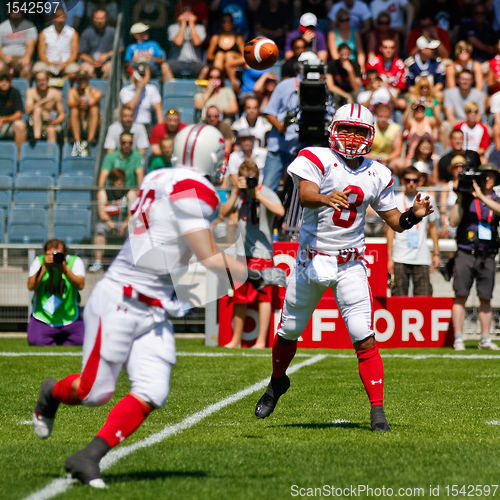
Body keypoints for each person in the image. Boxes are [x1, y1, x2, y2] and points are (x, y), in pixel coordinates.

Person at [31, 124, 255, 487]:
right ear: (208, 156)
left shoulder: (157, 175)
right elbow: (209, 257)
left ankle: (88, 457)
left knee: (153, 390)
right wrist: (255, 271)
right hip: (122, 298)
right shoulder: (197, 190)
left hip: (154, 307)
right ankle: (50, 393)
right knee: (93, 393)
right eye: (219, 154)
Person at [253, 103, 434, 431]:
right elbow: (306, 194)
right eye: (346, 129)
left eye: (359, 131)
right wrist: (326, 198)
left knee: (363, 337)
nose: (351, 137)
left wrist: (414, 216)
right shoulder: (316, 157)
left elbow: (395, 221)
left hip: (350, 263)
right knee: (288, 331)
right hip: (311, 259)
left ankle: (377, 411)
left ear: (371, 135)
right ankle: (277, 381)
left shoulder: (378, 172)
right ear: (334, 130)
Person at [220, 160, 285, 348]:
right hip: (242, 253)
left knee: (264, 298)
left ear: (256, 177)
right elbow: (223, 212)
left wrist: (256, 194)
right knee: (240, 298)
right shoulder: (238, 195)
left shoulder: (266, 192)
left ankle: (261, 341)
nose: (247, 181)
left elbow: (280, 211)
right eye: (244, 177)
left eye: (250, 177)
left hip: (263, 254)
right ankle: (236, 340)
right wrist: (235, 191)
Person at [449, 163, 500, 351]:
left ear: (495, 179)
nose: (487, 178)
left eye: (491, 175)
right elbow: (452, 221)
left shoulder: (496, 199)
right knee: (460, 295)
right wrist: (460, 197)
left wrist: (481, 198)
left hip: (487, 253)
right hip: (466, 252)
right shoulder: (467, 198)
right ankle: (458, 338)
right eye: (484, 175)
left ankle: (485, 338)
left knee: (486, 297)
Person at [387, 166, 440, 297]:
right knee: (398, 298)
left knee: (424, 298)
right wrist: (389, 258)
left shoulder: (427, 199)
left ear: (420, 181)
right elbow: (389, 231)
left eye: (414, 180)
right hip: (400, 256)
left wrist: (437, 253)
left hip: (421, 256)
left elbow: (433, 228)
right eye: (408, 180)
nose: (411, 183)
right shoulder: (395, 199)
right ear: (402, 181)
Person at [27, 239, 85, 346]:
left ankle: (61, 338)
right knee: (36, 341)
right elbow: (31, 286)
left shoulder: (74, 261)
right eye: (50, 254)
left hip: (70, 317)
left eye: (58, 254)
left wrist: (64, 268)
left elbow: (80, 285)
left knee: (82, 341)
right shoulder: (39, 261)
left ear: (65, 254)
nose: (54, 257)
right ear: (45, 253)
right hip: (43, 318)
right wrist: (44, 267)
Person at [89, 168, 135, 273]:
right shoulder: (104, 192)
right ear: (112, 181)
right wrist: (111, 226)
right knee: (99, 229)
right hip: (108, 222)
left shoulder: (130, 193)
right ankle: (98, 262)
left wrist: (123, 226)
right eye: (116, 180)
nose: (119, 182)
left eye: (122, 180)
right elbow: (102, 213)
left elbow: (131, 214)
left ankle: (132, 262)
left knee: (133, 229)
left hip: (124, 222)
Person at [34, 7, 79, 78]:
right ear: (53, 18)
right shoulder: (44, 33)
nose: (60, 20)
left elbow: (74, 54)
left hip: (66, 64)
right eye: (58, 18)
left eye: (62, 18)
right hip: (48, 63)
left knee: (75, 70)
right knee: (38, 68)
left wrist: (65, 64)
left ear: (66, 18)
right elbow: (41, 53)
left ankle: (66, 83)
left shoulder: (72, 33)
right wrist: (50, 64)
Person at [205, 13, 245, 92]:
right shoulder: (215, 38)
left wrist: (230, 58)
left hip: (234, 66)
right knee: (220, 55)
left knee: (229, 55)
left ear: (233, 23)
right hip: (219, 66)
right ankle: (219, 82)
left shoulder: (238, 38)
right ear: (221, 23)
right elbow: (209, 56)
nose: (227, 24)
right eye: (224, 21)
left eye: (229, 21)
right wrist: (222, 57)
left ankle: (232, 83)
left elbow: (246, 57)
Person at [67, 69, 102, 156]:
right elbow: (70, 103)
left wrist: (86, 92)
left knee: (94, 109)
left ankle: (90, 139)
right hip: (77, 120)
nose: (82, 82)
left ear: (88, 80)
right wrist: (80, 101)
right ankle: (77, 141)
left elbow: (91, 102)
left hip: (89, 120)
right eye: (80, 79)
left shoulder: (96, 92)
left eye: (84, 79)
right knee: (74, 110)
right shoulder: (72, 91)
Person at [25, 70, 65, 144]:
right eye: (39, 80)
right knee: (37, 110)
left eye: (43, 80)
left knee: (51, 131)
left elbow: (62, 114)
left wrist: (55, 121)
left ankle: (50, 155)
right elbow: (28, 110)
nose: (41, 83)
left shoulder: (56, 93)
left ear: (48, 80)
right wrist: (40, 102)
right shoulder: (31, 92)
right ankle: (37, 138)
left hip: (50, 122)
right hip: (34, 122)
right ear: (36, 82)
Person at [366, 103, 405, 177]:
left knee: (400, 164)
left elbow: (397, 151)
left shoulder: (396, 129)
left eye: (386, 117)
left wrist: (384, 159)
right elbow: (364, 151)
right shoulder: (370, 128)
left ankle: (398, 184)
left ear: (390, 116)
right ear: (376, 116)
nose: (383, 119)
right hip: (371, 158)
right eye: (381, 116)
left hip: (388, 159)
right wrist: (375, 158)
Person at [167, 4, 206, 79]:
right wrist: (183, 23)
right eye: (184, 11)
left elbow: (197, 42)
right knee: (164, 66)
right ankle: (171, 89)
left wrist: (191, 24)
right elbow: (178, 42)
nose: (187, 14)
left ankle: (200, 90)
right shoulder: (173, 27)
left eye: (190, 12)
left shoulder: (200, 28)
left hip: (195, 62)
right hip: (177, 61)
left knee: (206, 68)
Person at [119, 63, 163, 130]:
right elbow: (130, 107)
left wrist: (160, 129)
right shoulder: (126, 90)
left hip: (146, 125)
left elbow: (158, 110)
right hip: (130, 125)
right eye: (139, 76)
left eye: (143, 75)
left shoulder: (152, 89)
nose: (141, 78)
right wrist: (139, 89)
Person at [78, 8, 115, 79]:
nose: (99, 21)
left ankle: (104, 88)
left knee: (110, 67)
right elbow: (82, 54)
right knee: (85, 69)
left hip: (107, 62)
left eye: (102, 18)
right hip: (90, 62)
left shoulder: (112, 32)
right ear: (93, 19)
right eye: (97, 18)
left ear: (106, 19)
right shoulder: (86, 33)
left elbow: (119, 49)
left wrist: (106, 55)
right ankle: (93, 88)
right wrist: (92, 62)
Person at [0, 10, 37, 79]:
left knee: (27, 68)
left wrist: (26, 58)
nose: (16, 13)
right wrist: (4, 57)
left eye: (18, 10)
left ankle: (24, 89)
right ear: (8, 12)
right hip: (5, 58)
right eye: (13, 10)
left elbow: (30, 45)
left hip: (22, 58)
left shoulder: (29, 26)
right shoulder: (2, 27)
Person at [0, 68, 26, 158]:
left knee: (20, 125)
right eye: (1, 80)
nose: (4, 83)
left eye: (7, 80)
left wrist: (3, 119)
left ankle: (19, 158)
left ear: (10, 82)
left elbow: (19, 114)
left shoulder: (15, 93)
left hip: (9, 123)